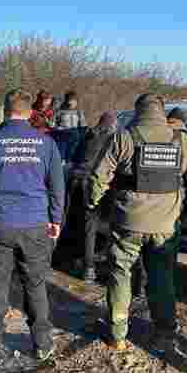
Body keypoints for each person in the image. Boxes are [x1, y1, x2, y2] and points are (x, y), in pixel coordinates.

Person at [86, 93, 187, 353]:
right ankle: (164, 334)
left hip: (128, 222)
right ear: (162, 112)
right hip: (166, 224)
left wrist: (93, 203)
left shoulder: (123, 137)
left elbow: (98, 178)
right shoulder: (183, 141)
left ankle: (117, 334)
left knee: (120, 275)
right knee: (162, 277)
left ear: (137, 111)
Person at [0, 89, 65, 366]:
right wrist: (56, 219)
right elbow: (57, 186)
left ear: (5, 111)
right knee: (35, 284)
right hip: (34, 224)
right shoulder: (46, 144)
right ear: (30, 112)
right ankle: (42, 344)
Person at [55, 111, 118, 282]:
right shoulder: (114, 140)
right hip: (95, 185)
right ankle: (90, 268)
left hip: (75, 181)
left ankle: (64, 258)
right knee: (92, 226)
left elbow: (74, 158)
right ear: (112, 125)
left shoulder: (88, 135)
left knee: (72, 221)